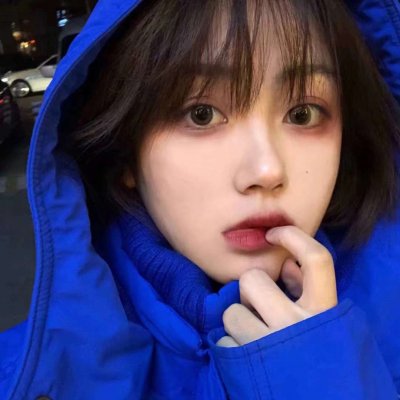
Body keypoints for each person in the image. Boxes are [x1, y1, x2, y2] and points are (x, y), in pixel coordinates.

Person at [1, 0, 400, 398]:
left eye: (303, 114)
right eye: (202, 114)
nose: (266, 171)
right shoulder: (26, 381)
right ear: (126, 152)